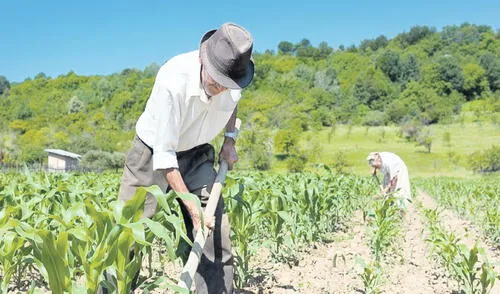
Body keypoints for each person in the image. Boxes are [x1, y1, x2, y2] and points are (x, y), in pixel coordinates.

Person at [118, 22, 254, 294]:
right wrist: (191, 208)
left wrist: (229, 140)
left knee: (215, 228)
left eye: (227, 84)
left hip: (197, 152)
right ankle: (115, 289)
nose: (221, 89)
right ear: (204, 60)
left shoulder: (233, 78)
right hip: (152, 153)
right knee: (129, 232)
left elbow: (233, 103)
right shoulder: (172, 80)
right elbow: (165, 156)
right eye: (216, 81)